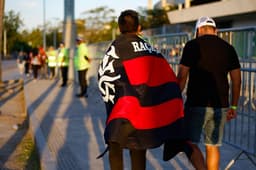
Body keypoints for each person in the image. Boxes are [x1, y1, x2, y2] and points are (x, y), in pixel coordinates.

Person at [98, 10, 201, 170]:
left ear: (119, 28)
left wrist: (114, 105)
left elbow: (105, 80)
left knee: (115, 145)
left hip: (124, 110)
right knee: (138, 146)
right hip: (145, 113)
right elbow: (168, 80)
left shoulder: (116, 48)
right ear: (139, 28)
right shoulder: (151, 49)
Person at [177, 16, 241, 170]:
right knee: (212, 146)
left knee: (189, 143)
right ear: (215, 31)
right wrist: (234, 106)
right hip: (220, 104)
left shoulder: (192, 46)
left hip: (196, 103)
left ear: (198, 30)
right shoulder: (228, 48)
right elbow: (237, 81)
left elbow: (182, 76)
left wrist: (175, 101)